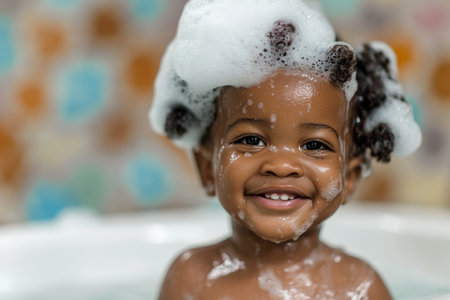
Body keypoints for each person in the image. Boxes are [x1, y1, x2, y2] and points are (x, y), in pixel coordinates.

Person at [149, 0, 422, 299]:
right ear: (206, 168)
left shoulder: (358, 289)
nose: (280, 165)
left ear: (350, 176)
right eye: (251, 140)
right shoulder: (191, 280)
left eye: (315, 145)